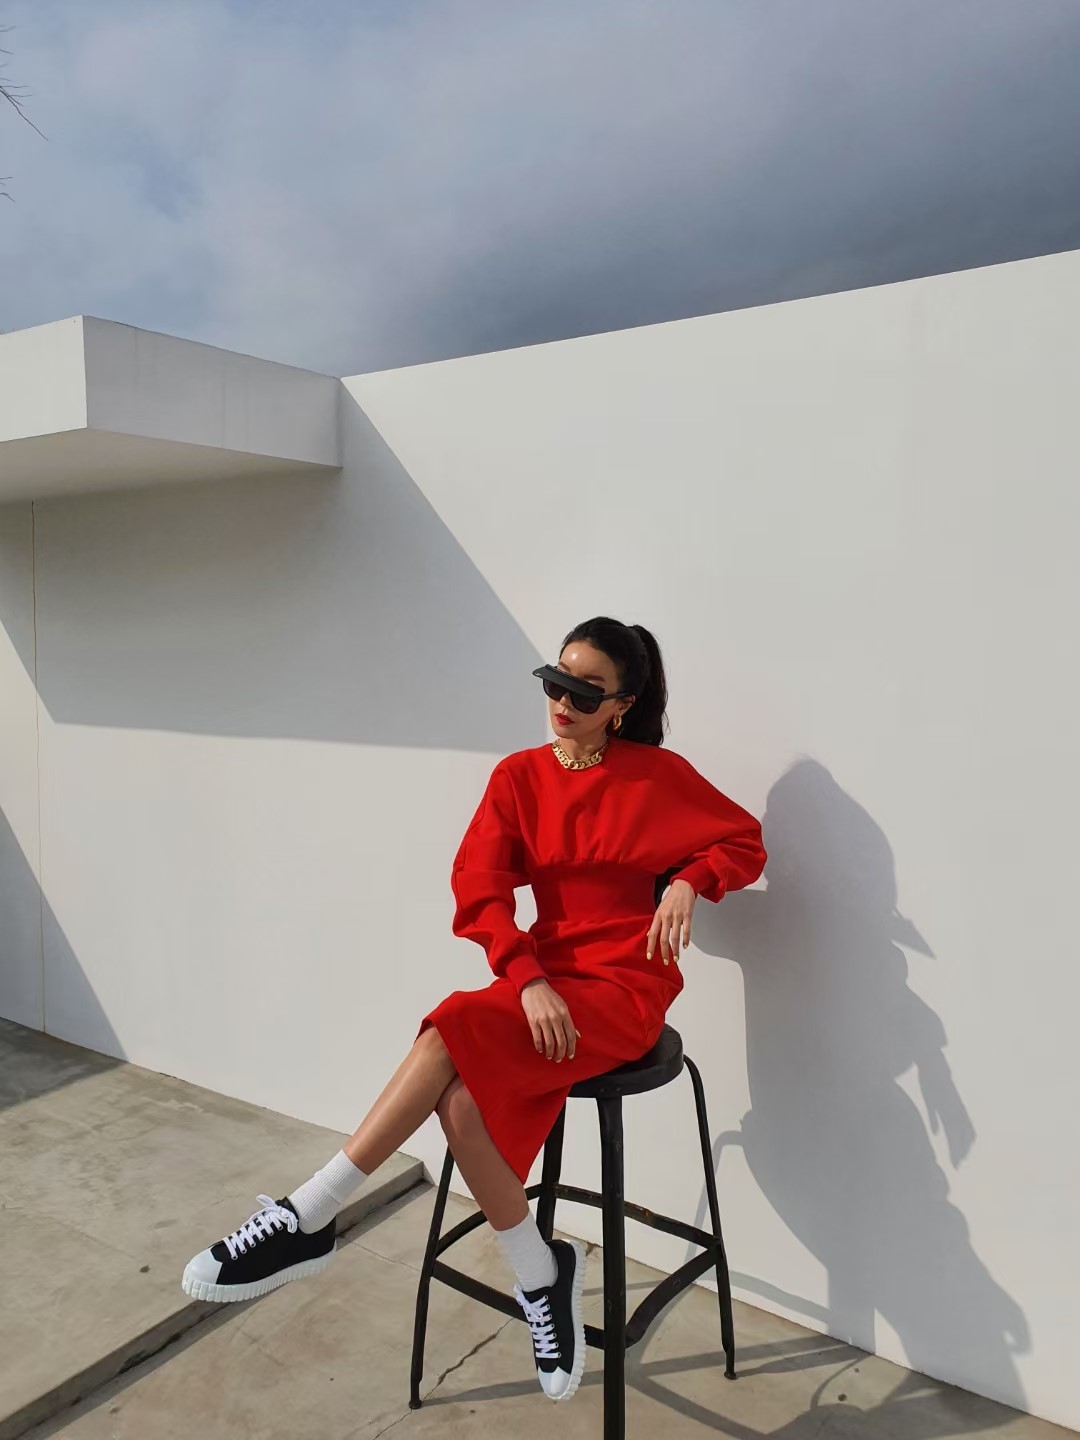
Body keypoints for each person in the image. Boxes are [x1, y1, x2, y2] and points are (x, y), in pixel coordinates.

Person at [181, 616, 767, 1404]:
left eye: (585, 692)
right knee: (458, 1097)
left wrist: (692, 880)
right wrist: (525, 977)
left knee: (450, 1026)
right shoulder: (519, 777)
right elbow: (478, 888)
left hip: (626, 985)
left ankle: (310, 1214)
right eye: (556, 682)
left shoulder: (656, 777)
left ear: (622, 705)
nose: (562, 702)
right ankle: (539, 1271)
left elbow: (743, 840)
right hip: (547, 975)